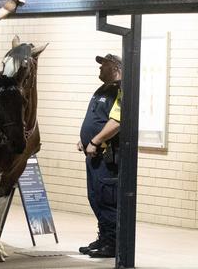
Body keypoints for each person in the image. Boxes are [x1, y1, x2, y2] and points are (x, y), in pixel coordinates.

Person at [76, 53, 122, 258]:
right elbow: (97, 118)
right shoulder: (102, 89)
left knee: (107, 199)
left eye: (103, 65)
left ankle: (113, 244)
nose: (100, 68)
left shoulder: (122, 90)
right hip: (94, 155)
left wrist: (94, 141)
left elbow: (118, 122)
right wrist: (85, 140)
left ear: (115, 67)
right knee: (95, 197)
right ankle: (104, 238)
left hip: (107, 156)